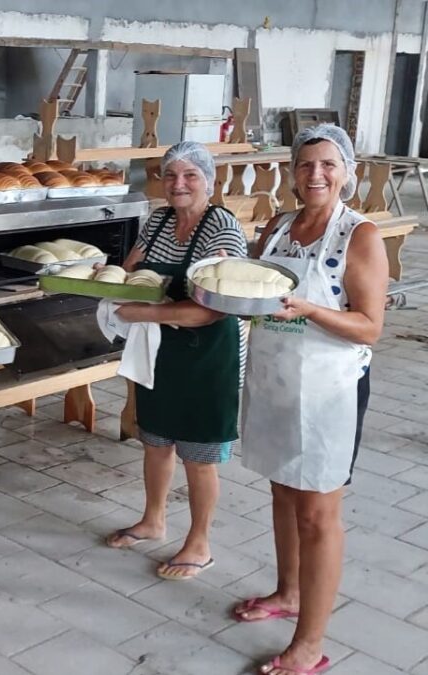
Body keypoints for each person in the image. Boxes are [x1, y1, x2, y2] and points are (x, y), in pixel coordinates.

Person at [235, 124, 387, 675]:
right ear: (292, 172)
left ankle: (310, 644)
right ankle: (288, 592)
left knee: (319, 515)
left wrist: (312, 310)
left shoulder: (359, 235)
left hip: (329, 391)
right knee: (282, 491)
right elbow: (253, 293)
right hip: (276, 380)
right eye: (305, 165)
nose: (315, 174)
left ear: (347, 171)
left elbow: (370, 327)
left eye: (328, 164)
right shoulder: (278, 228)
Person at [104, 141, 248, 580]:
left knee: (199, 454)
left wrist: (144, 310)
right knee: (156, 440)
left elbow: (214, 309)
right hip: (162, 351)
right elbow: (132, 272)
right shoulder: (160, 219)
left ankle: (200, 543)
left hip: (210, 355)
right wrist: (102, 276)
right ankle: (153, 520)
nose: (178, 184)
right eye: (170, 175)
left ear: (209, 181)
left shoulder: (223, 229)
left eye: (190, 176)